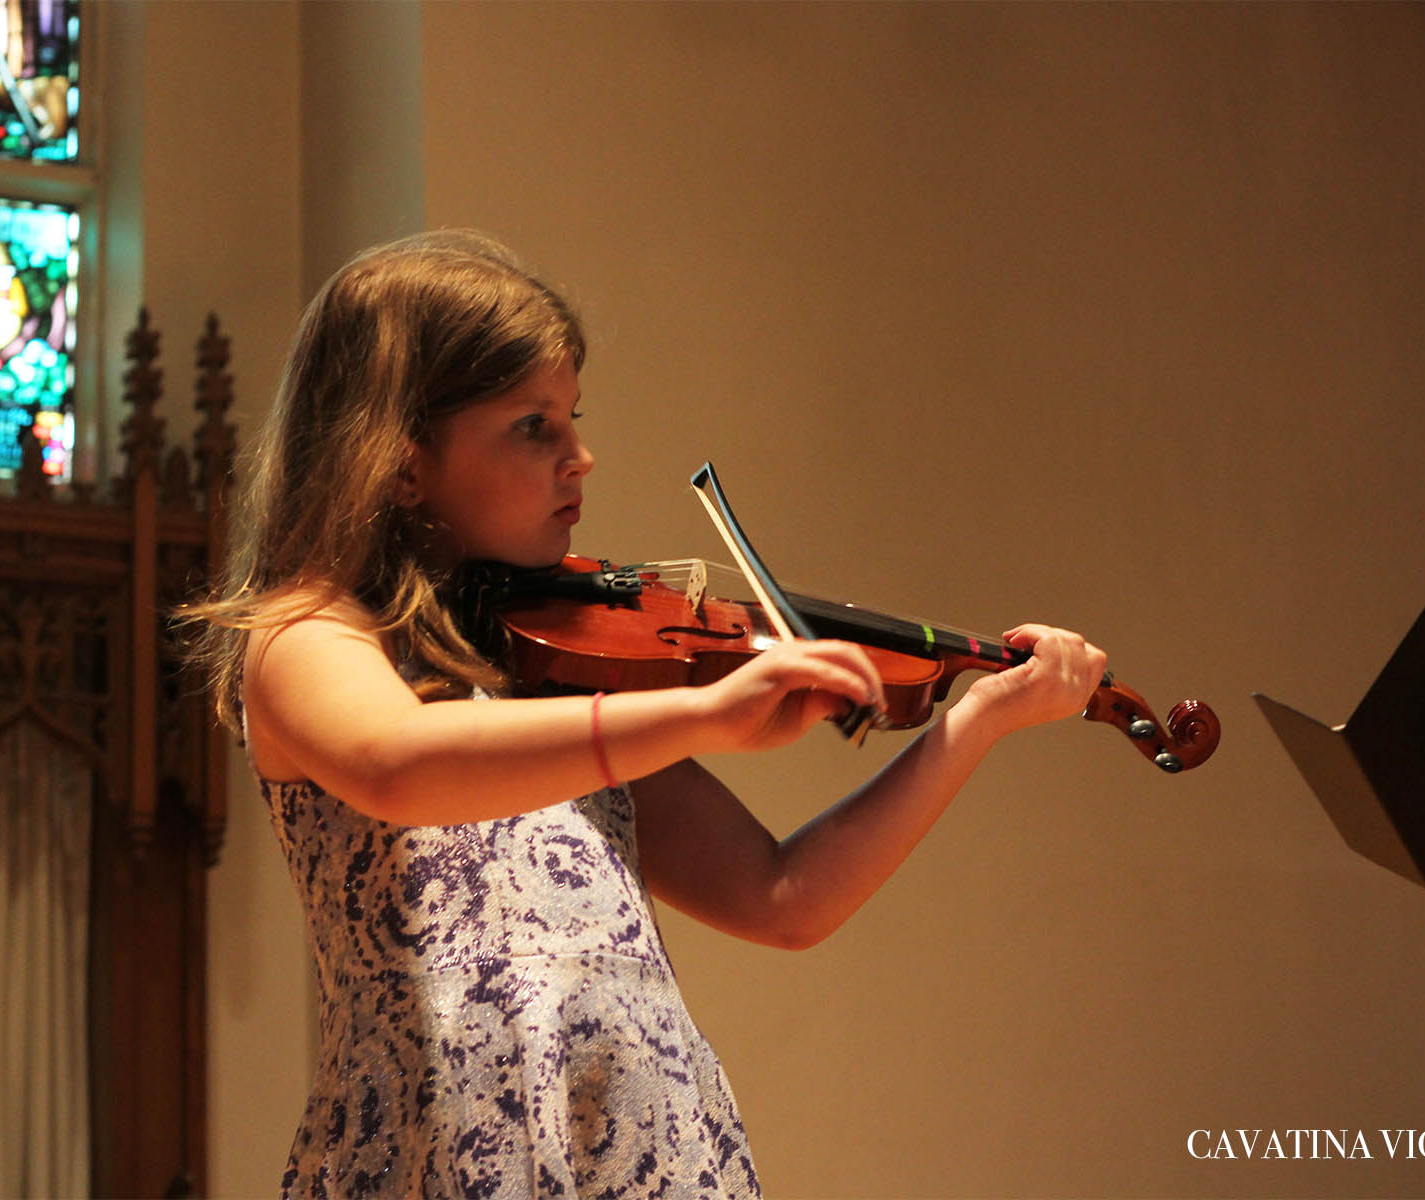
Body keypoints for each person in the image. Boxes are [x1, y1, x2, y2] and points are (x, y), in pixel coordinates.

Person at [183, 230, 1105, 1197]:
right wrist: (702, 716)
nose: (581, 457)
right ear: (402, 461)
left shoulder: (552, 666)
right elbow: (400, 764)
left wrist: (979, 720)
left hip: (643, 1141)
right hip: (444, 1137)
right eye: (533, 426)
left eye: (573, 418)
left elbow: (783, 897)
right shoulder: (308, 636)